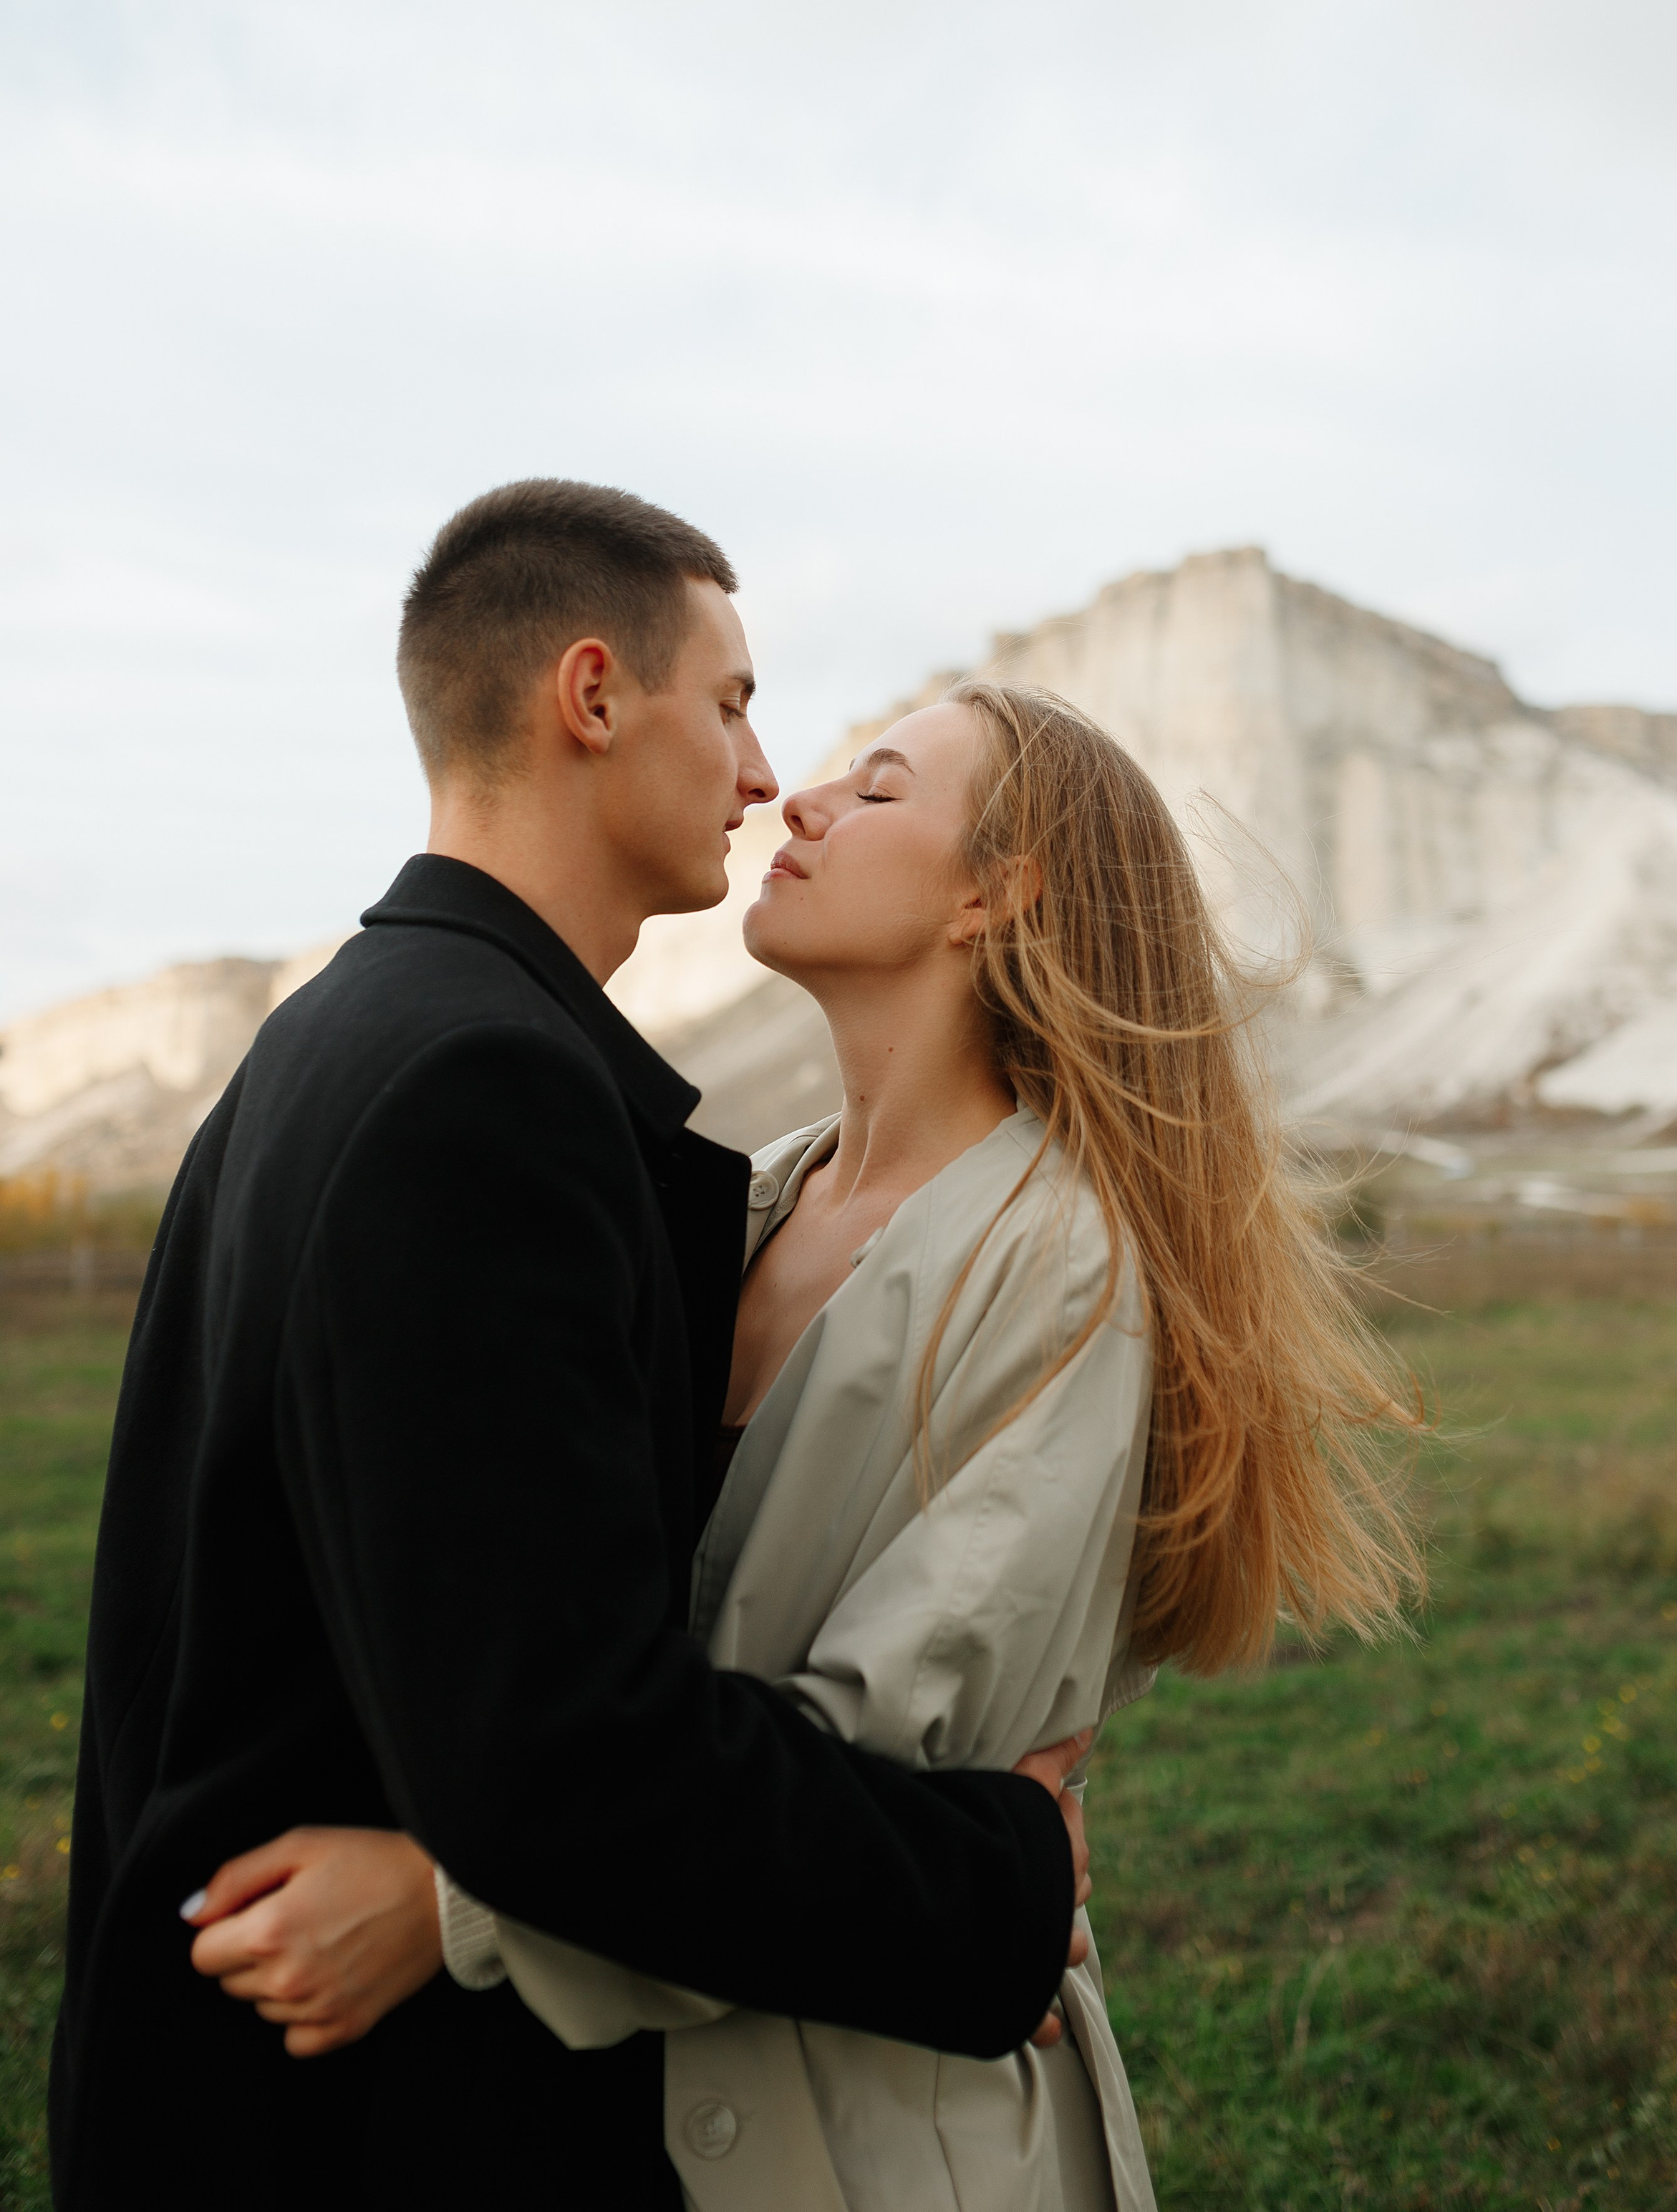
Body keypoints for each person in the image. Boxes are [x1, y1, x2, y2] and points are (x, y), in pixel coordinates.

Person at [185, 676, 1424, 2209]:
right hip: (647, 2106)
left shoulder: (1061, 1265)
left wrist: (449, 1908)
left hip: (889, 2133)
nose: (798, 799)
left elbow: (884, 1766)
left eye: (880, 787)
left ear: (996, 892)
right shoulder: (751, 1199)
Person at [51, 483, 1095, 2212]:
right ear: (593, 697)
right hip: (355, 2128)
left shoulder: (333, 1037)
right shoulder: (488, 1089)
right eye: (734, 702)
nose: (765, 778)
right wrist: (992, 1880)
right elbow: (569, 1762)